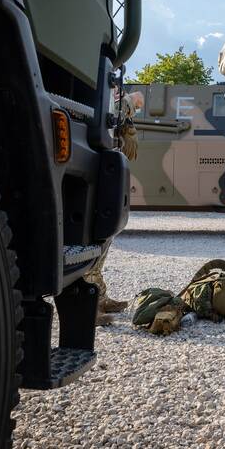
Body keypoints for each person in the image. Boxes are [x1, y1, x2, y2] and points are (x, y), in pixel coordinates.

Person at [86, 90, 144, 326]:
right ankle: (88, 306)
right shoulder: (97, 94)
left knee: (103, 240)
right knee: (90, 243)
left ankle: (99, 297)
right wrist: (130, 101)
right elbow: (106, 114)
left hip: (103, 172)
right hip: (91, 173)